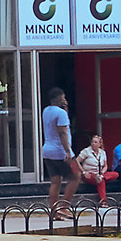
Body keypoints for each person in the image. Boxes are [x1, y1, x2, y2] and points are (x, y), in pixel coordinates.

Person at [41, 91, 79, 219]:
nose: (64, 100)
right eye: (63, 98)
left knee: (55, 181)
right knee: (75, 176)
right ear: (57, 99)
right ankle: (64, 207)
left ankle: (54, 212)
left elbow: (62, 122)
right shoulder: (60, 113)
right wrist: (68, 151)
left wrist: (65, 109)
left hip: (47, 151)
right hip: (60, 152)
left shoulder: (46, 110)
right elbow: (62, 132)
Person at [76, 131, 108, 208]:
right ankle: (103, 201)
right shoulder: (86, 151)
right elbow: (76, 161)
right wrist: (83, 172)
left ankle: (101, 177)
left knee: (115, 174)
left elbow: (106, 166)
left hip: (100, 173)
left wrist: (102, 173)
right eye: (92, 142)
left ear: (100, 144)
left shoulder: (102, 152)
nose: (93, 143)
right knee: (100, 181)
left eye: (95, 142)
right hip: (89, 174)